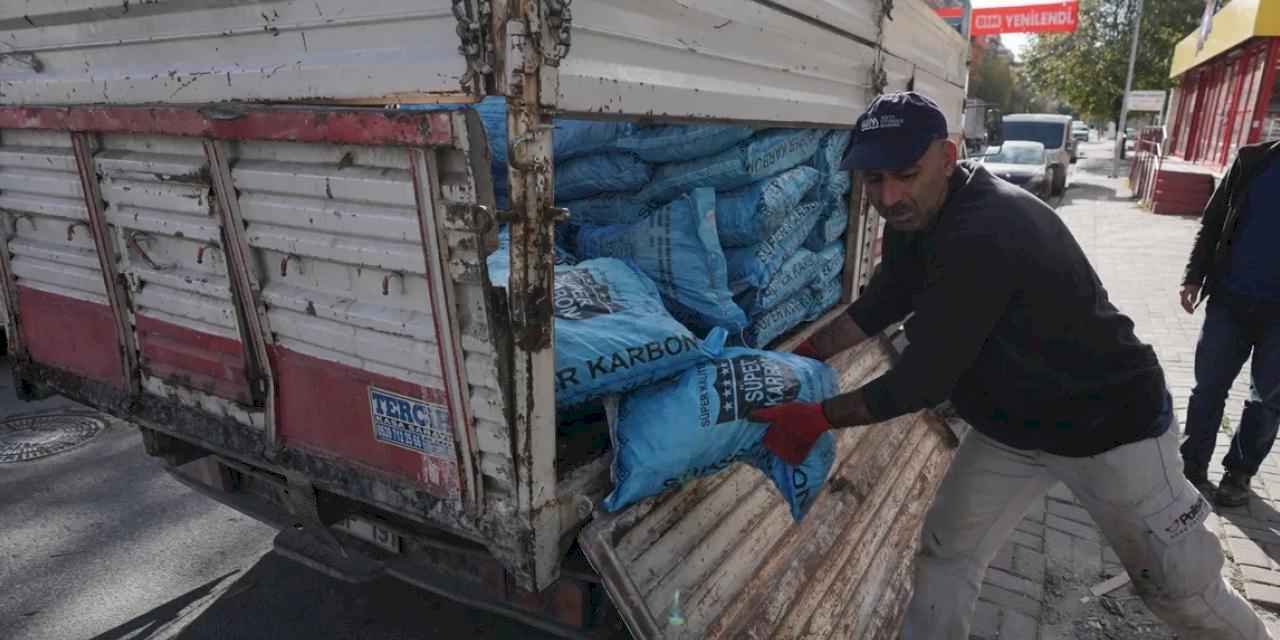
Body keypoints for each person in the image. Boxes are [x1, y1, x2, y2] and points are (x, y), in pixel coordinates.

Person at [750, 92, 1273, 639]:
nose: (888, 196)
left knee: (1180, 591)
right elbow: (881, 303)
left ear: (948, 157)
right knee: (946, 553)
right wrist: (805, 355)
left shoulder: (985, 229)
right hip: (1014, 430)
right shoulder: (917, 217)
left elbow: (922, 381)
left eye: (905, 175)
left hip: (1112, 430)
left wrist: (816, 418)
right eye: (873, 180)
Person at [1179, 139, 1280, 508]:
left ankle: (1239, 473)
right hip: (1230, 301)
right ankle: (1191, 466)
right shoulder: (1252, 161)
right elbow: (1213, 220)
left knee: (1266, 400)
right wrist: (1193, 276)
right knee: (1208, 388)